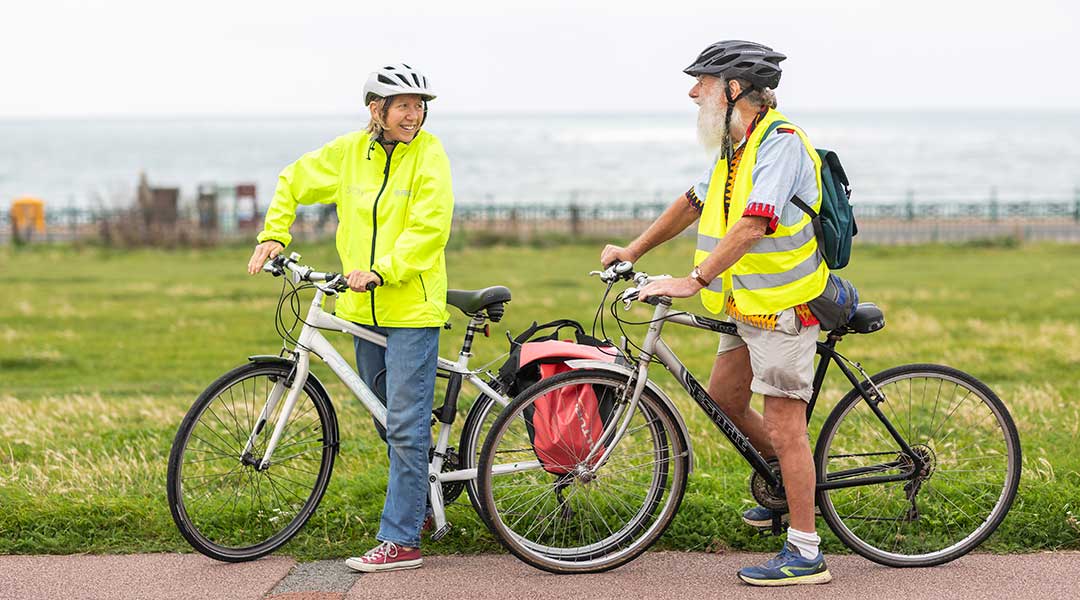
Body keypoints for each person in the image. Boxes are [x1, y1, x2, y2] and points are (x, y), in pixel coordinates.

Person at [600, 40, 833, 586]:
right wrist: (633, 251)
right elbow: (692, 202)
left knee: (784, 421)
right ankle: (786, 483)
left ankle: (805, 550)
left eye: (702, 82)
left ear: (732, 89)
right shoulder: (736, 148)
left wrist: (693, 279)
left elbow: (755, 224)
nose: (692, 92)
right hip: (744, 303)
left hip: (783, 305)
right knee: (726, 400)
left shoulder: (781, 145)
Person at [246, 63, 454, 573]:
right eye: (403, 105)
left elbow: (430, 227)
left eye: (419, 104)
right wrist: (274, 234)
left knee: (404, 425)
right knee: (390, 421)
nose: (414, 114)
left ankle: (400, 540)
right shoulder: (347, 154)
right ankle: (425, 503)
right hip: (360, 309)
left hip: (411, 308)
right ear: (376, 111)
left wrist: (382, 271)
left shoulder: (430, 154)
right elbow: (292, 180)